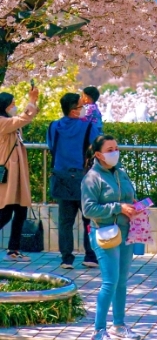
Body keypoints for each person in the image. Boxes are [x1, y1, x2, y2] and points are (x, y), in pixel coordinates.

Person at [81, 134, 139, 340]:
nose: (115, 152)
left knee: (122, 280)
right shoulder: (92, 178)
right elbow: (88, 210)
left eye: (116, 147)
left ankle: (119, 324)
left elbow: (127, 196)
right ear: (98, 154)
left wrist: (133, 204)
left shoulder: (120, 173)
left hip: (125, 232)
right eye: (109, 149)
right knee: (110, 281)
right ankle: (98, 330)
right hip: (104, 233)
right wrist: (118, 207)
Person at [47, 92, 98, 269]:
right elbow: (96, 141)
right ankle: (90, 255)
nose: (83, 108)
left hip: (61, 176)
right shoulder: (87, 126)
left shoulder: (54, 126)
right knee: (89, 218)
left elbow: (51, 146)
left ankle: (66, 259)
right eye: (80, 105)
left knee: (65, 222)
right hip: (83, 178)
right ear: (73, 110)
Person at [0, 87, 39, 262]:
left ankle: (13, 249)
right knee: (6, 212)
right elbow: (23, 118)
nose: (14, 107)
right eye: (12, 104)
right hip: (8, 174)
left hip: (16, 173)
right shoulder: (2, 122)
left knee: (21, 210)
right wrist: (31, 101)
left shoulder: (8, 121)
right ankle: (13, 249)